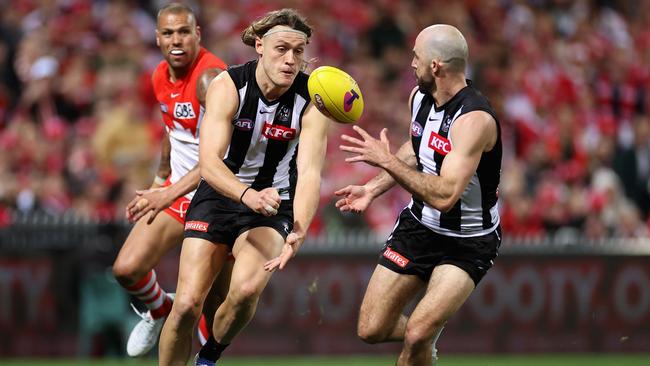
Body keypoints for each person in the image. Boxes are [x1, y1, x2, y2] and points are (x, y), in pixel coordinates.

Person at [158, 8, 330, 366]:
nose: (290, 59)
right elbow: (208, 163)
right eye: (281, 48)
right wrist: (247, 195)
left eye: (298, 51)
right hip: (220, 195)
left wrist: (300, 229)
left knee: (247, 290)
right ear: (259, 46)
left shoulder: (311, 99)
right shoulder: (228, 85)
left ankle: (207, 358)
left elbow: (310, 171)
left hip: (273, 205)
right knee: (187, 305)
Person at [335, 24, 502, 365]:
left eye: (416, 56)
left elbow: (444, 196)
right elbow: (416, 148)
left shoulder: (473, 120)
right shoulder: (420, 99)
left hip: (467, 240)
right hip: (418, 228)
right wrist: (372, 188)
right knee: (370, 328)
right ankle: (427, 337)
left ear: (436, 66)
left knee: (416, 335)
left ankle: (423, 335)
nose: (411, 63)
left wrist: (384, 160)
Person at [111, 3, 230, 357]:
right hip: (177, 190)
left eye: (183, 32)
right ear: (157, 38)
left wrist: (167, 193)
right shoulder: (159, 74)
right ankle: (159, 308)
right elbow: (172, 128)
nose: (176, 40)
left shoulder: (211, 79)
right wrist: (161, 176)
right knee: (126, 269)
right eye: (168, 33)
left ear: (197, 34)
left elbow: (219, 156)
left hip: (218, 196)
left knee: (209, 306)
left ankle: (203, 360)